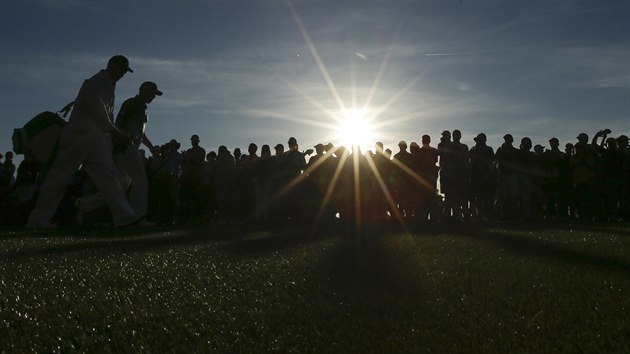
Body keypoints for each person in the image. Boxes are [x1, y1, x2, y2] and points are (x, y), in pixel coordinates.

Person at [27, 55, 141, 228]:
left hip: (95, 139)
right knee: (59, 178)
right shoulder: (94, 83)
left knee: (109, 176)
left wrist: (111, 136)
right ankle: (38, 219)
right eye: (122, 70)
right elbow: (99, 113)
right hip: (77, 137)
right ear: (112, 66)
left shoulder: (110, 85)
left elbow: (107, 116)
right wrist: (115, 132)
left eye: (125, 72)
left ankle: (124, 216)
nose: (123, 75)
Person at [75, 81, 162, 225]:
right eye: (152, 93)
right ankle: (139, 216)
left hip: (131, 146)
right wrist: (119, 143)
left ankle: (84, 204)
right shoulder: (131, 103)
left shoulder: (143, 108)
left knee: (120, 186)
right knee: (140, 179)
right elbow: (119, 124)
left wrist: (151, 147)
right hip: (126, 145)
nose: (153, 97)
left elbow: (141, 133)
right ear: (143, 90)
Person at [179, 134, 206, 224]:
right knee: (187, 199)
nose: (193, 142)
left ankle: (198, 218)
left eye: (194, 141)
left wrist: (189, 159)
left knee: (197, 199)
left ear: (197, 141)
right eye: (192, 140)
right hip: (188, 177)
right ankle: (187, 218)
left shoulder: (201, 150)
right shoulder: (189, 151)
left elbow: (199, 162)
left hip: (197, 178)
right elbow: (185, 164)